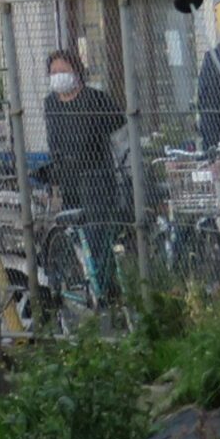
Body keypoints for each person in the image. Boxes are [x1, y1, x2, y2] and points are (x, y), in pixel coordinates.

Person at [42, 46, 129, 295]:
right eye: (54, 71)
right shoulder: (51, 104)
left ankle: (105, 289)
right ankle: (79, 287)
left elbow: (120, 137)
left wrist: (126, 168)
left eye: (64, 70)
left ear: (77, 71)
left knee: (97, 234)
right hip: (67, 179)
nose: (58, 76)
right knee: (72, 236)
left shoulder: (95, 99)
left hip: (97, 177)